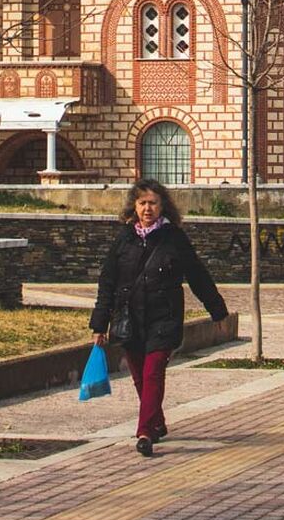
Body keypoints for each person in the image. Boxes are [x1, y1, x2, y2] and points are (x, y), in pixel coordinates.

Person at [90, 180, 228, 457]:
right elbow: (108, 283)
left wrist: (217, 310)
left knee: (153, 373)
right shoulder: (124, 239)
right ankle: (157, 421)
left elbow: (197, 275)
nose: (147, 209)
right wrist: (99, 324)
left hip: (164, 318)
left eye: (153, 203)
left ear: (163, 206)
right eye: (142, 203)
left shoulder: (173, 238)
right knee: (140, 377)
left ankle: (144, 432)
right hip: (129, 319)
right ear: (134, 206)